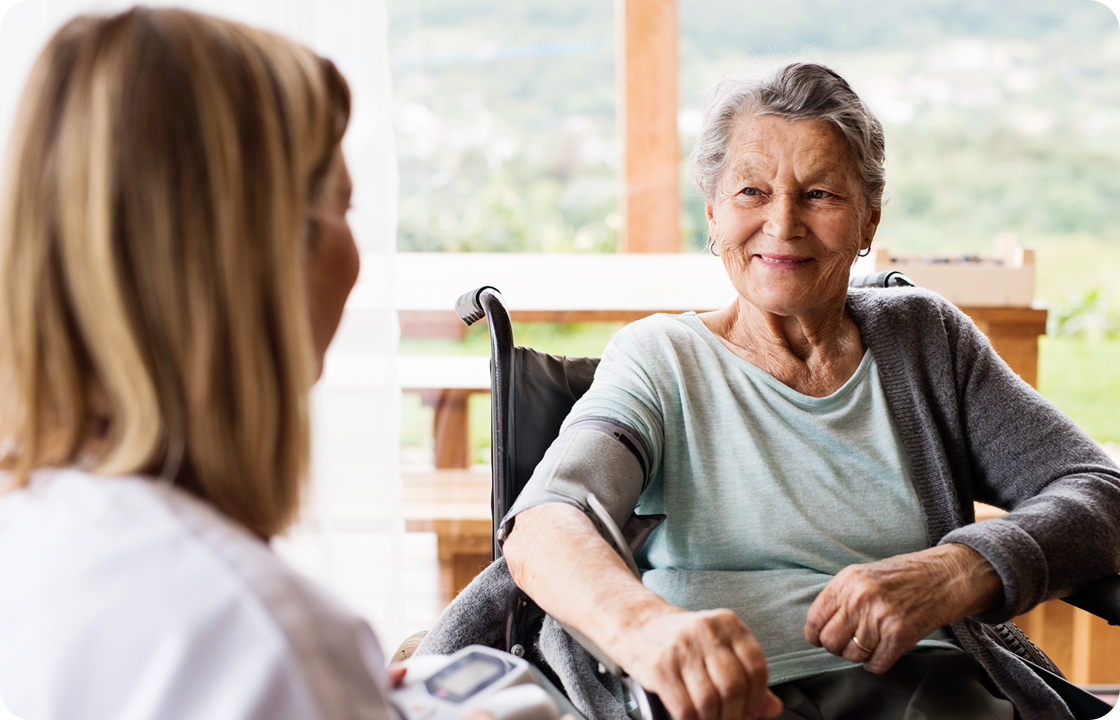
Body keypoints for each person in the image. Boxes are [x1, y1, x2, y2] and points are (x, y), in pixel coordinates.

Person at [482, 61, 1120, 720]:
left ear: (870, 221)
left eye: (820, 194)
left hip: (930, 692)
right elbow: (546, 524)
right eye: (752, 192)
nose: (783, 223)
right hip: (730, 701)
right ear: (713, 214)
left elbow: (1100, 489)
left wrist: (957, 571)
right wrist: (646, 630)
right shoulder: (661, 359)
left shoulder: (926, 341)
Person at [0, 8, 386, 719]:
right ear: (262, 257)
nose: (358, 260)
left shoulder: (33, 526)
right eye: (346, 208)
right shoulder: (265, 642)